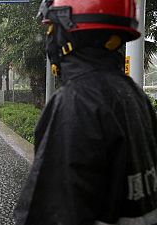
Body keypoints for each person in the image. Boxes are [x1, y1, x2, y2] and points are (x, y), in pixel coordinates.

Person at [14, 1, 157, 225]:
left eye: (52, 29)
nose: (50, 39)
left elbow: (49, 214)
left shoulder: (76, 101)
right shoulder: (134, 95)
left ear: (70, 35)